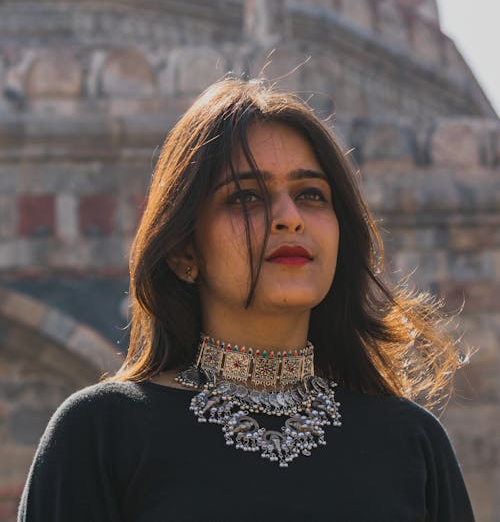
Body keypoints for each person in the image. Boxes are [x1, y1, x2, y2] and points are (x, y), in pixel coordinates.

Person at [18, 78, 475, 521]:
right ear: (183, 252)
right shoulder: (102, 433)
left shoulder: (409, 443)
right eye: (246, 197)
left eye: (311, 194)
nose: (290, 218)